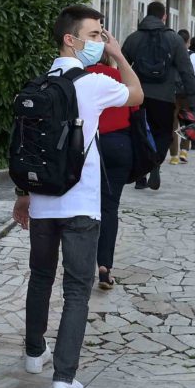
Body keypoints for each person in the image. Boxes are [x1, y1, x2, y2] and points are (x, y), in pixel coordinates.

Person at [12, 5, 142, 388]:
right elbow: (136, 94)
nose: (100, 41)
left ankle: (34, 353)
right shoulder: (94, 83)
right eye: (95, 35)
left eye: (102, 35)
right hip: (81, 204)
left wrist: (23, 194)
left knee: (40, 277)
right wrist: (118, 55)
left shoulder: (38, 84)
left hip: (43, 202)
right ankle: (65, 381)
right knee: (76, 290)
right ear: (71, 39)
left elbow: (26, 144)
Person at [120, 2, 195, 189]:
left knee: (139, 133)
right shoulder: (174, 39)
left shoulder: (133, 38)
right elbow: (187, 71)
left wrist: (120, 93)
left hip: (137, 97)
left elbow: (120, 66)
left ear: (146, 14)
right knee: (163, 134)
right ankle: (155, 162)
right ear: (164, 17)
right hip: (164, 98)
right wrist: (194, 101)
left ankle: (140, 176)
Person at [86, 55, 140, 289]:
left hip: (89, 145)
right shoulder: (121, 78)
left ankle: (82, 265)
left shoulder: (81, 78)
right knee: (109, 207)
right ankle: (104, 267)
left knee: (85, 207)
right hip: (119, 144)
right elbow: (135, 106)